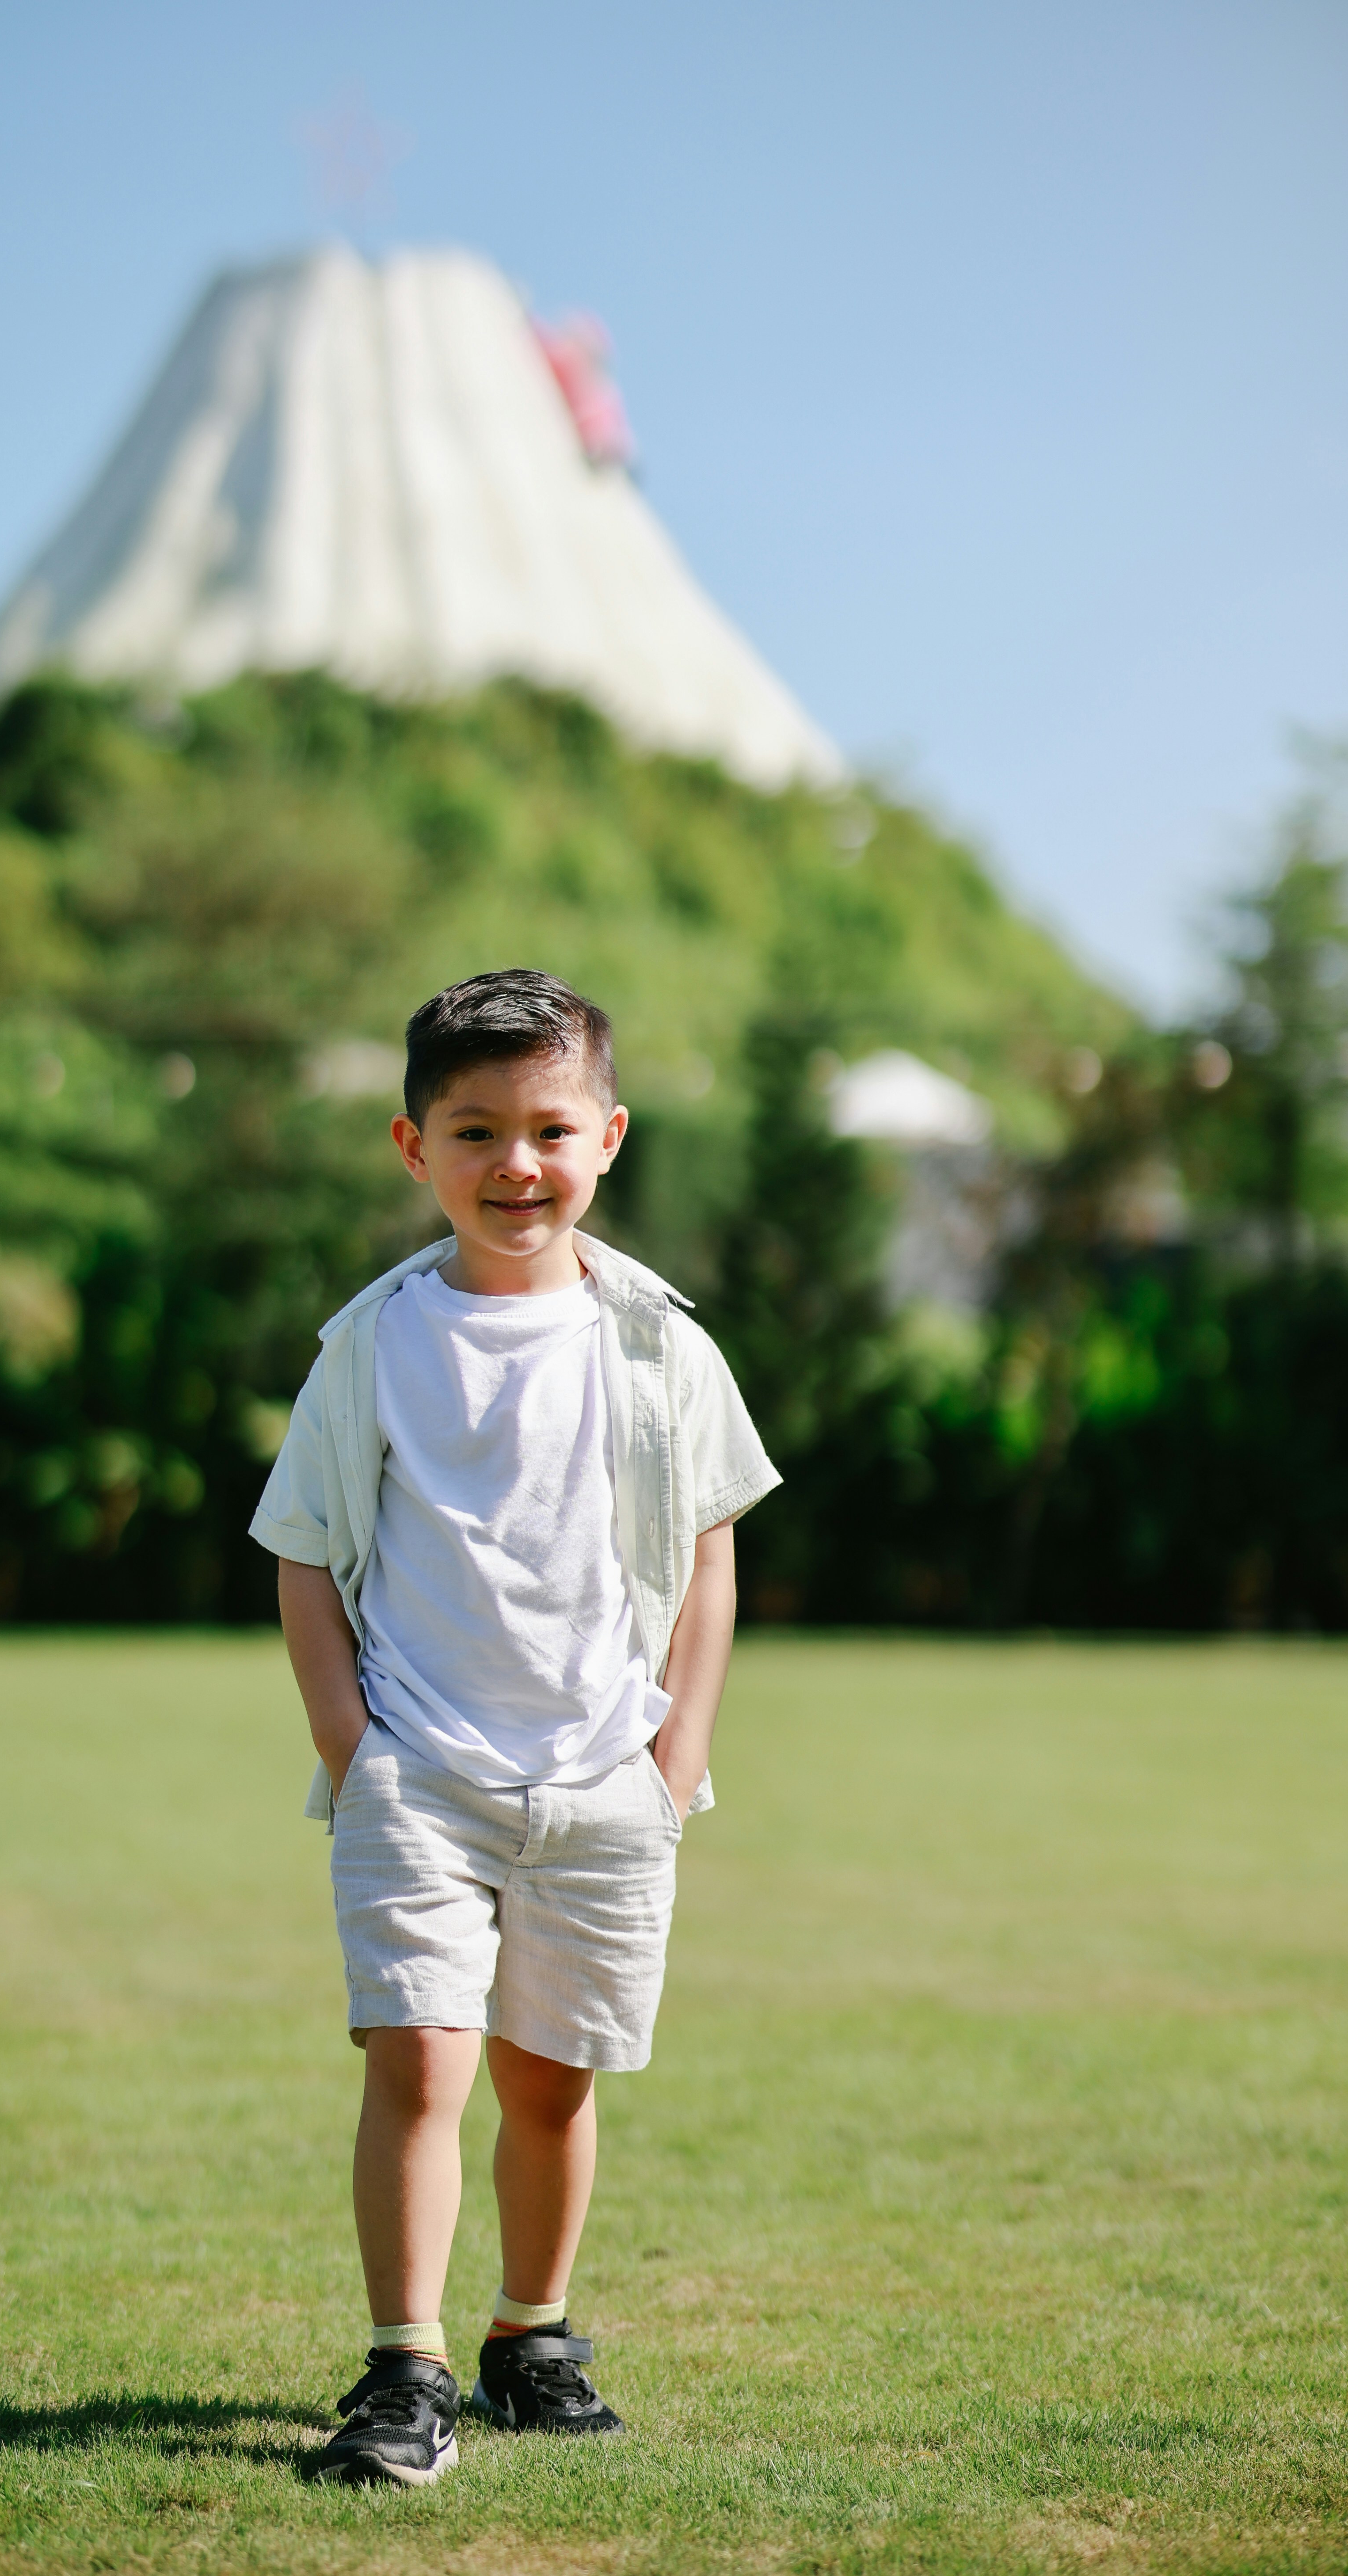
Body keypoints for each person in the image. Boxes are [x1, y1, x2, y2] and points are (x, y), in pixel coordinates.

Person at [251, 970, 778, 2486]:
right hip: (417, 1768)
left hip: (606, 1773)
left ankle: (528, 2334)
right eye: (475, 1130)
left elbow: (711, 1546)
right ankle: (401, 2370)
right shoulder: (373, 1346)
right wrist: (354, 1749)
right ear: (413, 1147)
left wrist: (676, 1758)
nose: (517, 1164)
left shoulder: (660, 1342)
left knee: (550, 2078)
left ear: (607, 1138)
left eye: (550, 1129)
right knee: (419, 2064)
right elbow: (301, 1548)